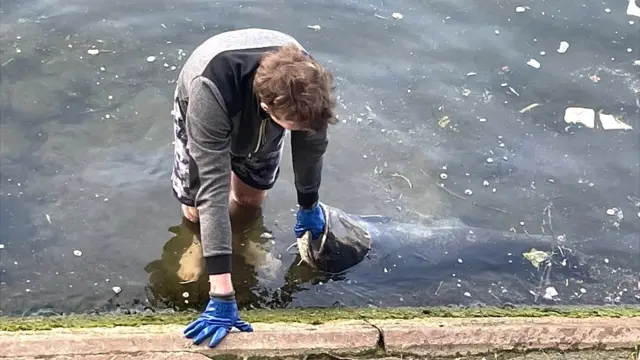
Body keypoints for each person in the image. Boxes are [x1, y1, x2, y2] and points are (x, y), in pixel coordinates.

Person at [169, 28, 337, 348]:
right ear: (266, 104)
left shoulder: (310, 89)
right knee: (195, 202)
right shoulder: (208, 89)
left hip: (275, 106)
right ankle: (196, 241)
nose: (299, 132)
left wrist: (309, 205)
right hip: (208, 99)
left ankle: (243, 237)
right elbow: (212, 191)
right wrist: (221, 290)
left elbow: (310, 150)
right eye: (292, 127)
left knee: (251, 195)